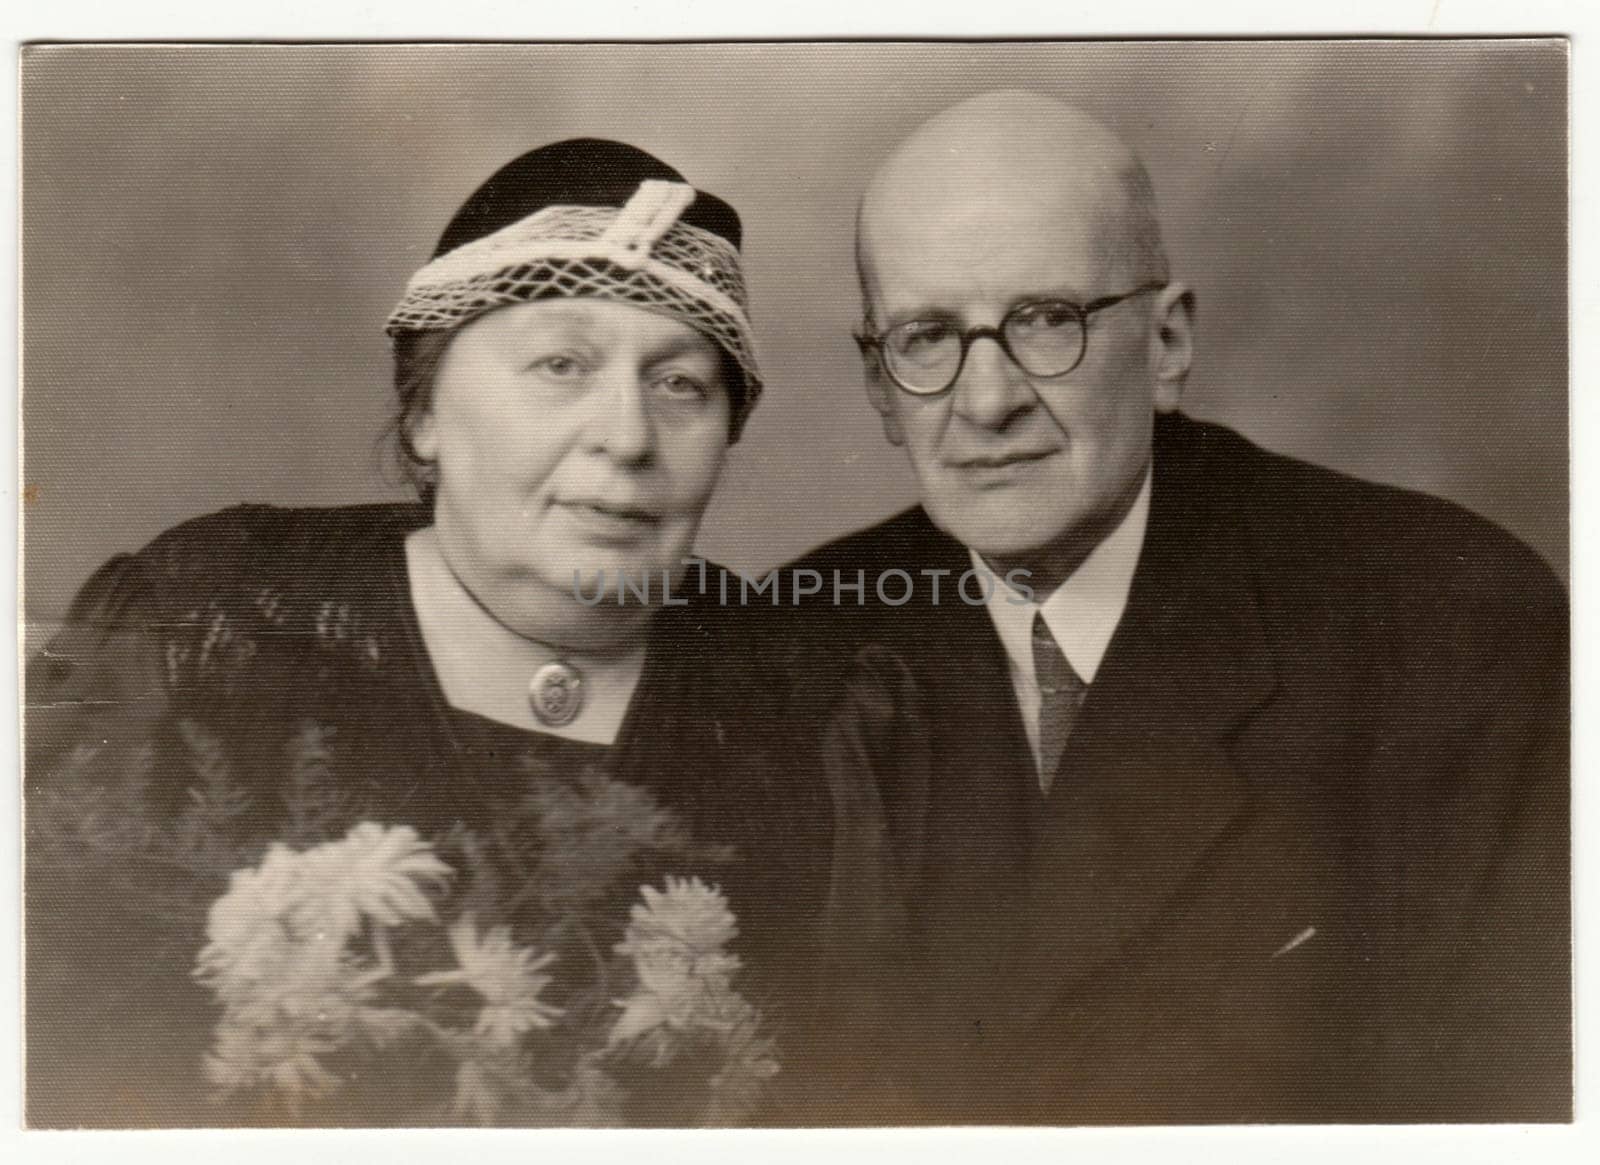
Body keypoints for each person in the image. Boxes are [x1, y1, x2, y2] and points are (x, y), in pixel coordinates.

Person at [783, 90, 1569, 1124]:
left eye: (1044, 320)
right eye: (927, 337)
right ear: (880, 387)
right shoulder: (794, 644)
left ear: (1166, 344)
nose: (985, 400)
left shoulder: (1447, 622)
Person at [23, 139, 840, 1127]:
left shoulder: (787, 690)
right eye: (562, 363)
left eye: (680, 384)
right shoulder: (216, 615)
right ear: (425, 417)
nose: (627, 437)